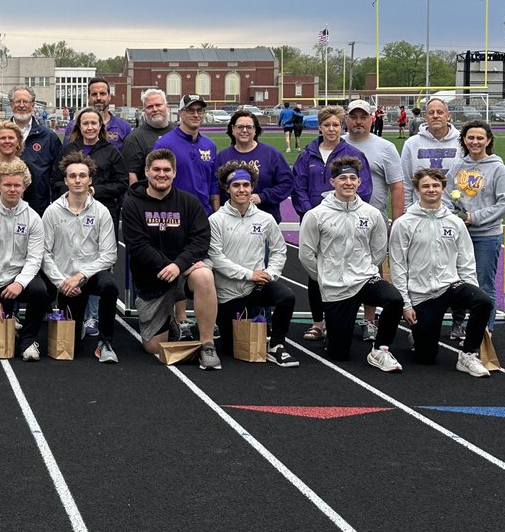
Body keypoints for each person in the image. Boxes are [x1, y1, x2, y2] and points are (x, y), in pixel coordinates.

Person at [119, 148, 220, 369]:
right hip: (152, 277)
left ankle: (207, 344)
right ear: (146, 171)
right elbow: (137, 245)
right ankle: (171, 322)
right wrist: (168, 266)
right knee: (154, 348)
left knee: (204, 275)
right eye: (156, 169)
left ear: (174, 172)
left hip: (183, 272)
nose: (161, 174)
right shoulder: (133, 203)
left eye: (167, 170)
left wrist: (179, 265)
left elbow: (201, 240)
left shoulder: (189, 202)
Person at [299, 157, 402, 371]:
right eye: (342, 178)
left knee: (394, 299)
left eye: (352, 178)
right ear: (332, 182)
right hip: (335, 287)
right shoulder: (316, 215)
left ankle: (380, 349)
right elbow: (307, 254)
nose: (348, 182)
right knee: (339, 355)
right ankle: (332, 335)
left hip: (364, 279)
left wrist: (365, 269)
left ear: (359, 182)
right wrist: (324, 278)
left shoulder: (372, 214)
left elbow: (378, 250)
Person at [390, 168, 493, 376]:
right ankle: (419, 335)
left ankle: (468, 355)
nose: (431, 189)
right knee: (426, 358)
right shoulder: (404, 223)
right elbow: (398, 265)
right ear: (418, 190)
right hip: (422, 292)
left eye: (436, 185)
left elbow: (466, 261)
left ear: (443, 189)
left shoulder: (455, 222)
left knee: (483, 301)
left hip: (450, 285)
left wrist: (471, 292)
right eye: (426, 186)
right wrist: (406, 304)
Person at [291, 105, 372, 341]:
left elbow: (363, 188)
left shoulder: (354, 155)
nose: (331, 129)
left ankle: (343, 319)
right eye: (327, 125)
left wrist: (340, 214)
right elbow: (299, 189)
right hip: (316, 225)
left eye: (336, 124)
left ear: (342, 126)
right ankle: (318, 322)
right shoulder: (307, 155)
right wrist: (313, 216)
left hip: (346, 224)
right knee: (316, 272)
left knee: (347, 268)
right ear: (319, 127)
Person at [207, 162, 298, 367]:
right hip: (228, 292)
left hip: (256, 286)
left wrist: (270, 274)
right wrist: (249, 274)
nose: (242, 189)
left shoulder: (265, 219)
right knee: (232, 350)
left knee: (286, 296)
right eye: (236, 185)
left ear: (252, 187)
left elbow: (279, 249)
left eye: (246, 185)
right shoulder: (216, 220)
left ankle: (276, 345)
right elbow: (216, 258)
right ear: (226, 188)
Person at [41, 155, 120, 363]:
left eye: (82, 176)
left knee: (110, 286)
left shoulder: (101, 212)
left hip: (91, 275)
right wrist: (61, 282)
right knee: (71, 346)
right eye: (72, 176)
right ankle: (79, 328)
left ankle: (105, 342)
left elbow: (109, 254)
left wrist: (81, 275)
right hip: (66, 280)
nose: (77, 180)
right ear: (66, 180)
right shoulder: (52, 212)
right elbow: (44, 253)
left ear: (90, 180)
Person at [0, 159, 48, 361]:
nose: (12, 189)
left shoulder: (33, 218)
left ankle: (28, 341)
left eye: (17, 185)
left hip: (19, 279)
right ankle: (5, 317)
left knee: (41, 292)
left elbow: (34, 258)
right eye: (7, 185)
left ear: (24, 186)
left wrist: (20, 283)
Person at [344, 98, 406, 341]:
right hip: (341, 220)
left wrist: (396, 222)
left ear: (372, 118)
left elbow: (397, 186)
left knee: (373, 272)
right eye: (354, 117)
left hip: (374, 221)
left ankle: (369, 319)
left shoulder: (385, 147)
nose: (358, 122)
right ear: (346, 119)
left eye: (363, 117)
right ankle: (342, 317)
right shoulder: (338, 144)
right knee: (341, 268)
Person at [446, 121, 505, 338]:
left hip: (486, 236)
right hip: (459, 234)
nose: (475, 142)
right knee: (456, 282)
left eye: (480, 138)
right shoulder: (457, 167)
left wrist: (474, 218)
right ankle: (457, 324)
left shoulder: (497, 168)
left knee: (484, 283)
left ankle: (485, 331)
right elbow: (447, 196)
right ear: (464, 140)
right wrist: (453, 217)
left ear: (488, 140)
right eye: (471, 137)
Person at [0, 87, 63, 217]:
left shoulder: (49, 137)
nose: (21, 105)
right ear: (11, 104)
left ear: (32, 104)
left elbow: (57, 176)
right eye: (17, 101)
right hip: (0, 210)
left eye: (25, 101)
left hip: (38, 208)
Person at [216, 110, 292, 222]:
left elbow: (287, 183)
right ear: (232, 129)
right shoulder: (222, 156)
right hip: (230, 221)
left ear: (255, 130)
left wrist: (262, 197)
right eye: (240, 127)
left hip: (265, 219)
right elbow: (216, 188)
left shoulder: (271, 154)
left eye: (249, 127)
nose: (244, 130)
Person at [54, 106, 129, 218]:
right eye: (85, 123)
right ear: (79, 126)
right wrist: (73, 191)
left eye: (93, 123)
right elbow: (55, 179)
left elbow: (122, 183)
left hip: (104, 211)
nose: (90, 127)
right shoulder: (68, 150)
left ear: (100, 126)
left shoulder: (111, 151)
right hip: (71, 211)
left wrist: (94, 190)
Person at [154, 94, 218, 216]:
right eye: (190, 110)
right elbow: (154, 181)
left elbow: (213, 183)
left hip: (203, 214)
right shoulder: (164, 144)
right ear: (180, 113)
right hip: (174, 215)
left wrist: (216, 212)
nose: (196, 115)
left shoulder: (209, 145)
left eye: (200, 110)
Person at [400, 97, 461, 206]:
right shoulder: (411, 144)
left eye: (440, 112)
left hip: (454, 211)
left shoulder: (462, 141)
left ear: (448, 116)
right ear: (425, 117)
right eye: (431, 113)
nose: (435, 116)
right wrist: (408, 210)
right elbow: (406, 182)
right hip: (421, 211)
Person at [121, 89, 175, 185]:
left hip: (179, 196)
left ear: (167, 107)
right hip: (149, 196)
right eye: (150, 107)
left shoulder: (179, 133)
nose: (155, 109)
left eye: (158, 105)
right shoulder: (134, 138)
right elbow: (131, 174)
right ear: (144, 111)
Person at [62, 78, 132, 148]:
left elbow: (127, 157)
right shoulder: (73, 126)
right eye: (94, 94)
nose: (98, 98)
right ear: (88, 98)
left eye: (102, 93)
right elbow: (66, 155)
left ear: (109, 97)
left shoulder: (124, 127)